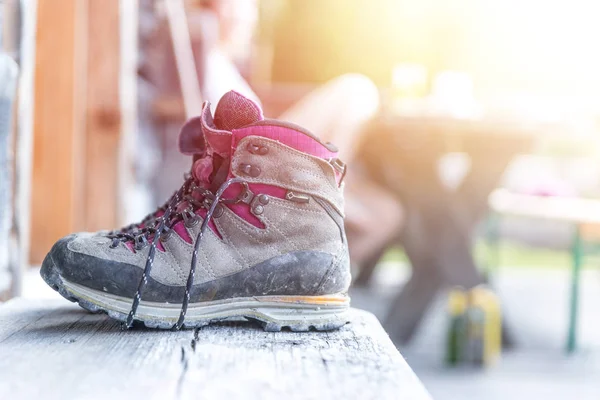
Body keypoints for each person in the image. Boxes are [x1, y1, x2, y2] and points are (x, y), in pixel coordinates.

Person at [141, 0, 404, 278]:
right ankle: (322, 196)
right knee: (355, 90)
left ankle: (317, 256)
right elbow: (219, 135)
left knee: (388, 212)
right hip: (257, 171)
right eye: (243, 9)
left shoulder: (219, 62)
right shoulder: (204, 58)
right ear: (217, 10)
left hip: (261, 162)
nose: (250, 20)